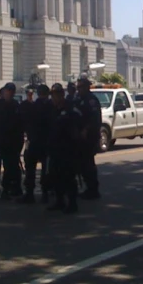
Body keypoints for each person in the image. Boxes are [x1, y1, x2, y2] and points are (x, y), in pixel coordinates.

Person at [0, 82, 24, 201]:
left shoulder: (15, 105)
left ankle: (6, 190)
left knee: (9, 169)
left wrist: (18, 144)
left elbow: (19, 126)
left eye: (12, 91)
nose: (10, 93)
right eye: (8, 91)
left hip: (11, 143)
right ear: (4, 92)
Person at [46, 84, 82, 213]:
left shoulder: (70, 109)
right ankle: (59, 201)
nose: (54, 97)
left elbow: (77, 128)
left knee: (68, 177)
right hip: (55, 149)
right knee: (56, 176)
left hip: (68, 149)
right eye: (52, 95)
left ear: (61, 94)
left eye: (56, 94)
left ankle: (72, 203)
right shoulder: (53, 109)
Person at [19, 84, 53, 204]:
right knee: (46, 168)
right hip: (47, 141)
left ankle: (30, 193)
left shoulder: (33, 106)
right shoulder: (51, 106)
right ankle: (45, 193)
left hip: (34, 141)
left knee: (31, 168)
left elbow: (25, 121)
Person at [74, 75, 102, 200]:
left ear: (86, 87)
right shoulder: (78, 99)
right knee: (82, 164)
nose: (78, 89)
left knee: (88, 164)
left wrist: (86, 130)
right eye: (77, 87)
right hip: (79, 137)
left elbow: (94, 119)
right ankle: (88, 187)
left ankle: (93, 189)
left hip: (89, 137)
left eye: (80, 87)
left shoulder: (91, 100)